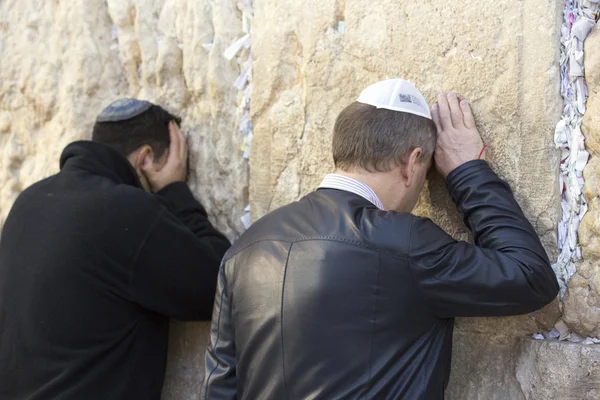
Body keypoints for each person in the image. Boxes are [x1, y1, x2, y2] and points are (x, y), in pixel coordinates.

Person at [200, 79, 559, 399]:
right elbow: (530, 276)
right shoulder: (406, 243)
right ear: (411, 161)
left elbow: (219, 387)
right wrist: (468, 171)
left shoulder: (244, 248)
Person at [0, 99, 231, 400]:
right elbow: (220, 282)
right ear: (146, 159)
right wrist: (174, 191)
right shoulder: (123, 209)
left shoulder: (27, 204)